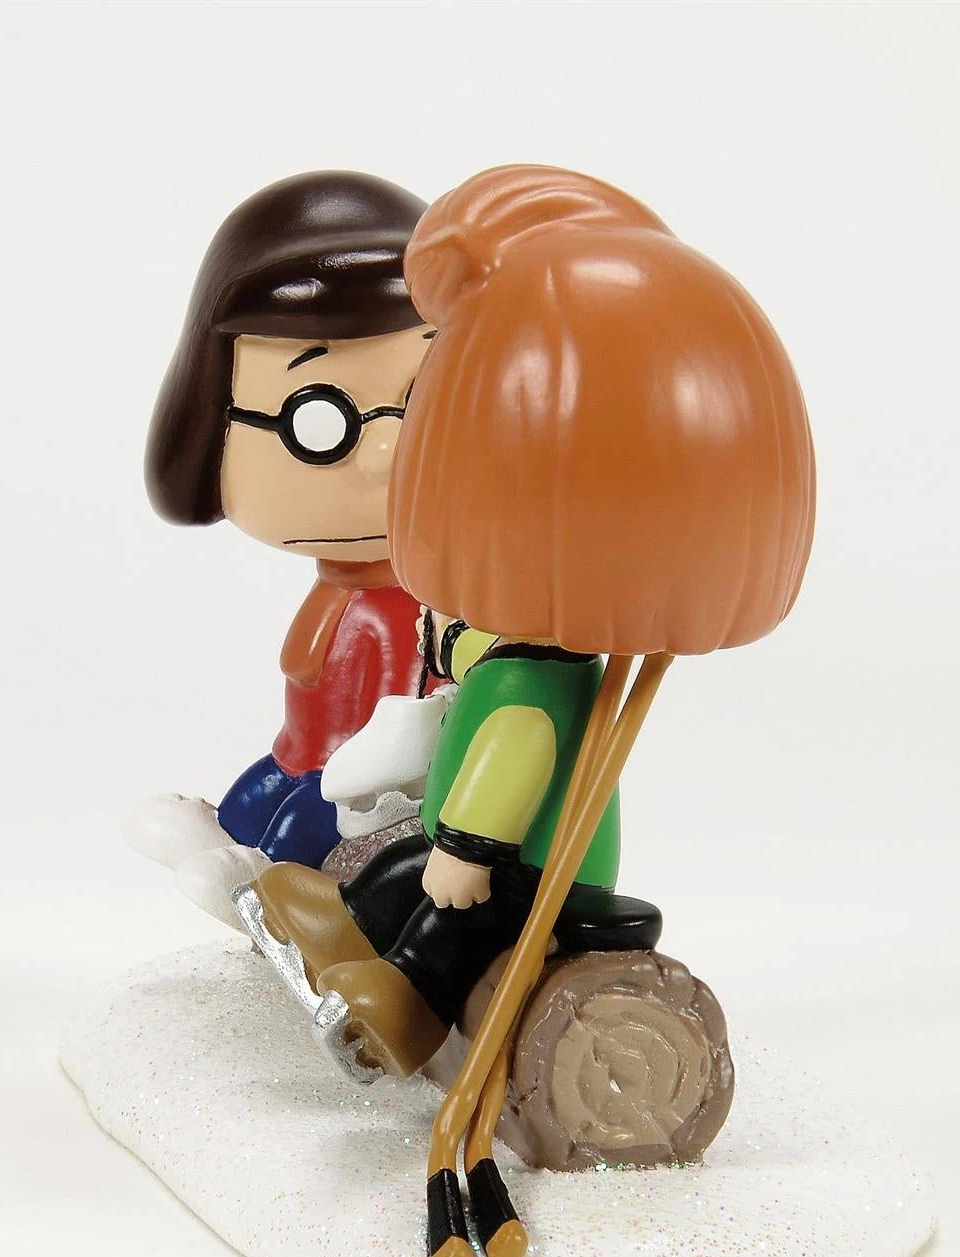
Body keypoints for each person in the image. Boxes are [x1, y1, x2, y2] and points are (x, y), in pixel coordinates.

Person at [255, 164, 816, 1078]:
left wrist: (468, 850)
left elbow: (513, 758)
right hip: (486, 842)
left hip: (533, 867)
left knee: (447, 915)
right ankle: (344, 927)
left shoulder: (532, 680)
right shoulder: (510, 653)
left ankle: (404, 1010)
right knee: (400, 871)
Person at [124, 171, 444, 924]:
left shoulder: (420, 609)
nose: (387, 453)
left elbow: (413, 716)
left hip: (361, 789)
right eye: (321, 417)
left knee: (297, 830)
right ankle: (234, 861)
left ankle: (274, 899)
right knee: (248, 800)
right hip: (303, 754)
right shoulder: (344, 594)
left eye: (425, 403)